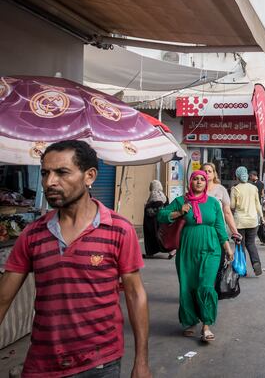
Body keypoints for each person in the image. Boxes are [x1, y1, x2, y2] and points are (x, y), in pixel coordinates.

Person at [0, 140, 152, 377]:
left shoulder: (119, 229)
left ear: (89, 176)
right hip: (42, 363)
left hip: (101, 363)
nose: (49, 182)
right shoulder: (32, 234)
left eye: (61, 172)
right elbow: (3, 299)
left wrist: (141, 361)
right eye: (45, 173)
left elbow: (135, 294)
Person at [159, 170, 233, 343]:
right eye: (195, 179)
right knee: (188, 286)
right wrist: (179, 212)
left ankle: (206, 325)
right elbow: (161, 215)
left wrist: (228, 248)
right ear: (190, 182)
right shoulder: (181, 201)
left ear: (206, 183)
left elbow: (220, 227)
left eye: (202, 179)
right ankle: (190, 321)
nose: (199, 182)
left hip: (211, 249)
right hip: (187, 251)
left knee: (206, 286)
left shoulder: (214, 203)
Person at [231, 166, 264, 275]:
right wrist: (262, 217)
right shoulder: (253, 188)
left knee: (240, 245)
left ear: (237, 176)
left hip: (240, 222)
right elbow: (258, 204)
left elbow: (232, 205)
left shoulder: (235, 189)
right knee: (251, 244)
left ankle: (242, 269)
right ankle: (256, 264)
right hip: (253, 221)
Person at [202, 162, 240, 241]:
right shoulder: (196, 189)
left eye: (209, 171)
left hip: (217, 228)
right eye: (204, 171)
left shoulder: (221, 189)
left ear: (214, 174)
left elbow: (227, 212)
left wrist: (235, 232)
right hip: (200, 229)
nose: (207, 173)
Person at [143, 179, 170, 258]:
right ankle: (171, 251)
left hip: (153, 222)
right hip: (163, 222)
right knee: (163, 237)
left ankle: (150, 252)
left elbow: (151, 210)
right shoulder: (164, 196)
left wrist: (146, 207)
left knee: (153, 236)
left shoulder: (154, 196)